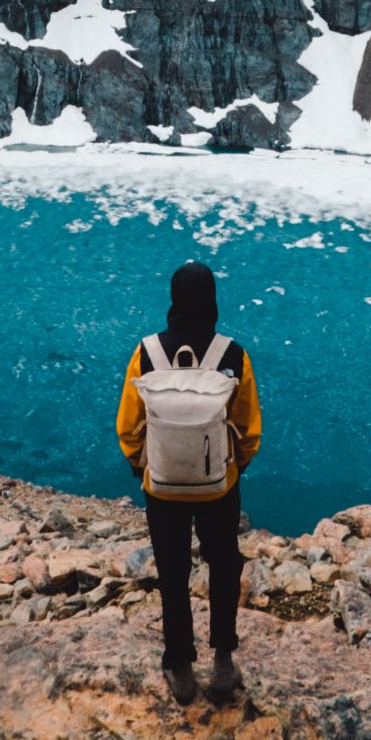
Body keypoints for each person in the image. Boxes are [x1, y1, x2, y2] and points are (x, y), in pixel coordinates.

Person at [115, 259, 261, 705]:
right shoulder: (233, 355)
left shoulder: (147, 353)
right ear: (212, 302)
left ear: (174, 300)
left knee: (173, 573)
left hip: (162, 486)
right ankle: (221, 660)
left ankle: (179, 664)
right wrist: (232, 468)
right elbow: (248, 429)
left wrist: (144, 467)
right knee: (223, 566)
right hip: (218, 484)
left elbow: (128, 425)